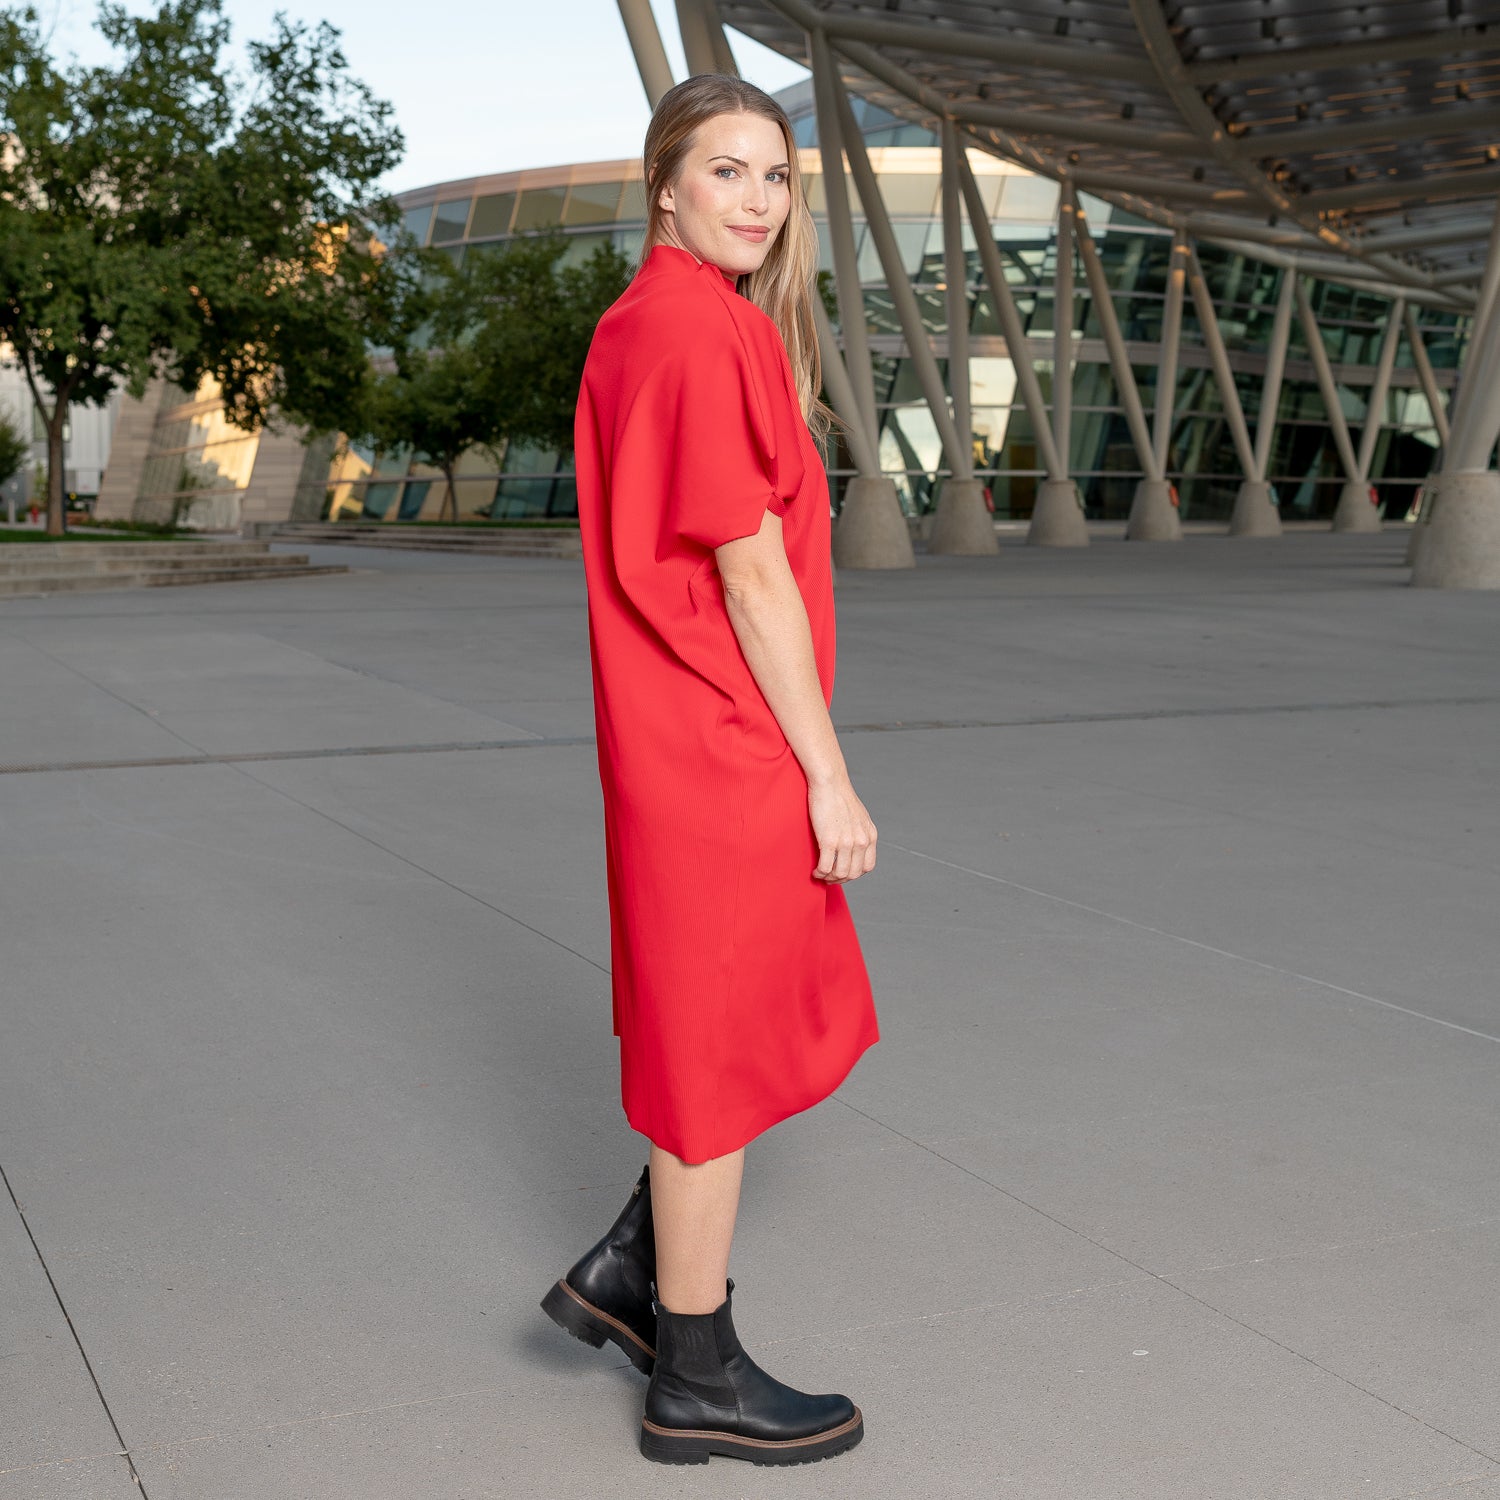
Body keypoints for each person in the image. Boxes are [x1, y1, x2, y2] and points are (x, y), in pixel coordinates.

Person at [541, 73, 880, 1468]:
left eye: (775, 176)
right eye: (725, 171)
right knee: (719, 1051)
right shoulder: (696, 333)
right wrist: (830, 774)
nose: (755, 198)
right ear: (665, 184)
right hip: (724, 738)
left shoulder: (657, 323)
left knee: (717, 1023)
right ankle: (695, 1371)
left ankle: (631, 1270)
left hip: (676, 740)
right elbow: (748, 572)